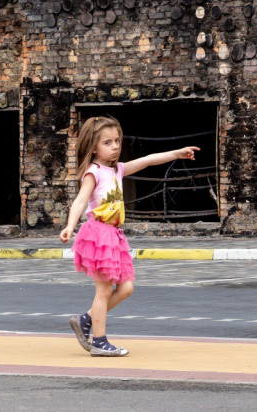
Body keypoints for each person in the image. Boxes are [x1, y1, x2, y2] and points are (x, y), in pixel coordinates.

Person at [59, 116, 199, 357]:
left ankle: (85, 320)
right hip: (98, 234)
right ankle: (99, 342)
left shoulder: (118, 169)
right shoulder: (93, 172)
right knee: (103, 291)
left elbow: (146, 161)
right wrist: (70, 226)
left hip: (114, 235)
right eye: (107, 142)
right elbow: (81, 200)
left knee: (126, 288)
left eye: (117, 141)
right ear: (93, 147)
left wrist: (177, 153)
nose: (115, 146)